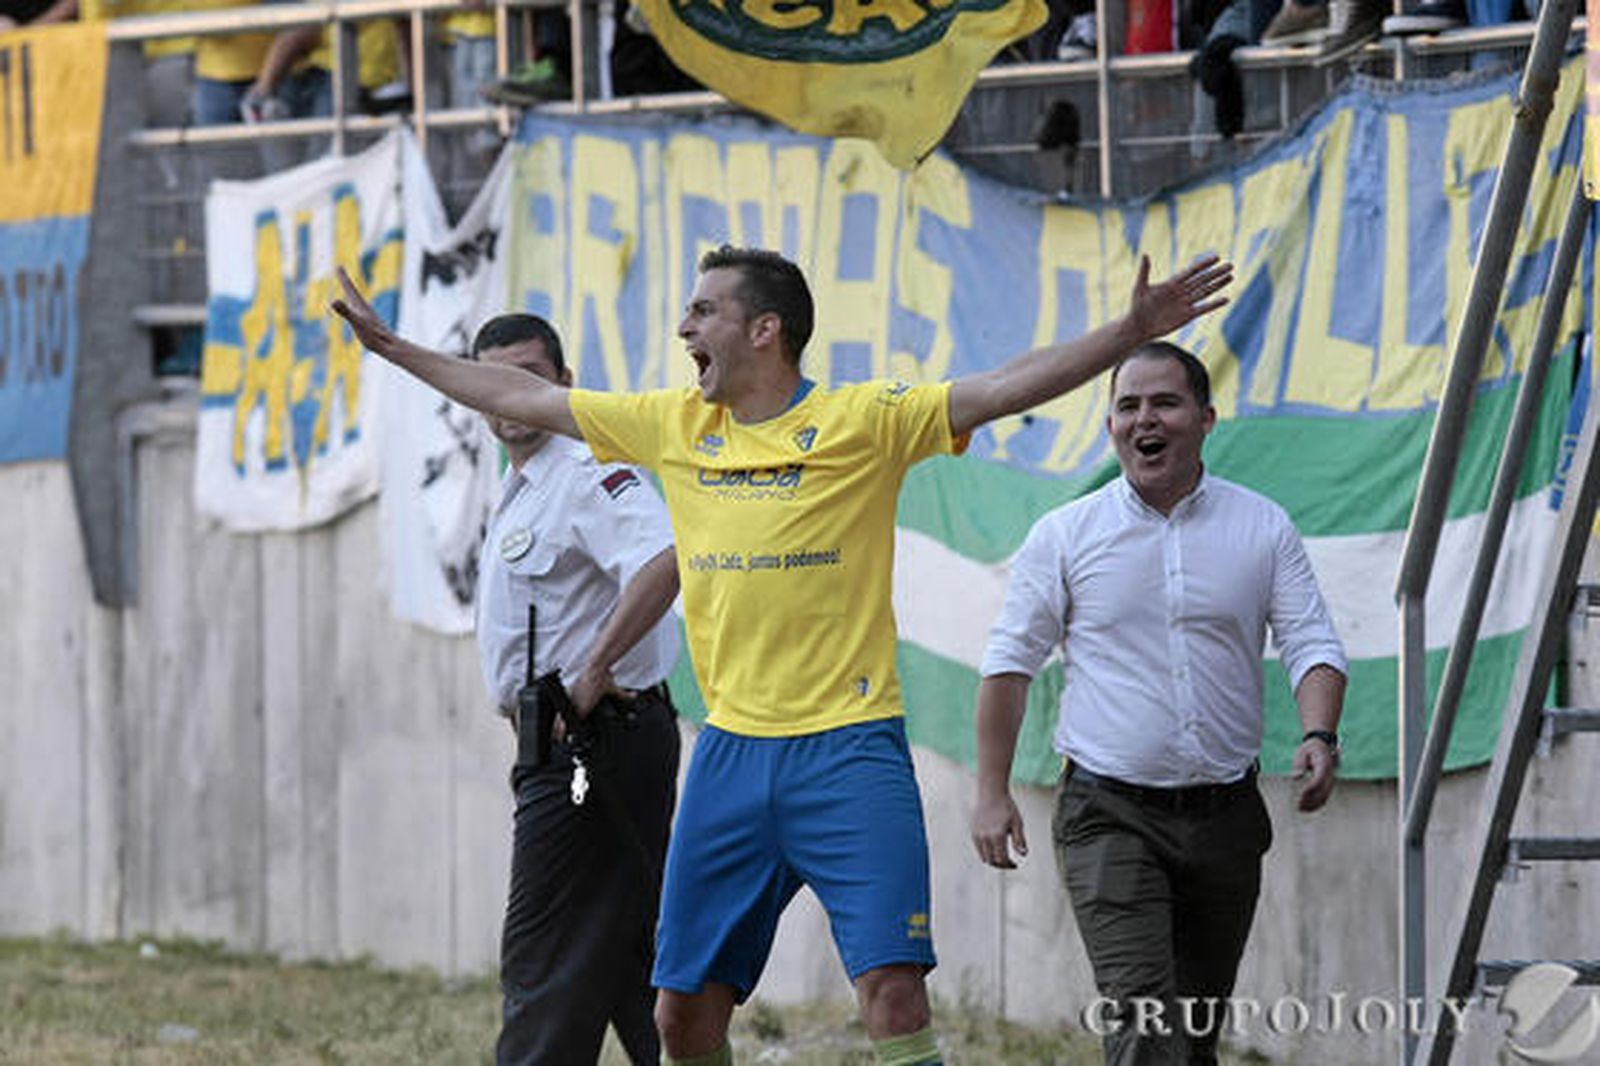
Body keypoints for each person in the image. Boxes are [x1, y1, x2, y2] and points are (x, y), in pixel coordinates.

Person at [331, 244, 1232, 1066]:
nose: (684, 327)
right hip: (729, 754)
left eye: (703, 311)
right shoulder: (672, 424)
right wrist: (397, 350)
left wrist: (1129, 333)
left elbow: (999, 389)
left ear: (764, 330)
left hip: (851, 751)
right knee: (680, 1018)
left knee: (894, 995)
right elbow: (519, 397)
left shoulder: (862, 420)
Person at [970, 340, 1347, 1066]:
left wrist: (1319, 735)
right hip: (1108, 814)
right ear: (1111, 425)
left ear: (1205, 419)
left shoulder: (1260, 526)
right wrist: (991, 792)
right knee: (1145, 1023)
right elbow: (1009, 664)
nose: (1146, 419)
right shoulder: (1066, 535)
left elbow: (1312, 642)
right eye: (1128, 406)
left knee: (1194, 1038)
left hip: (1227, 819)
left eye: (1165, 403)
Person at [470, 313, 682, 1065]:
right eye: (492, 380)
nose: (510, 398)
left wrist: (593, 672)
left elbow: (663, 557)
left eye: (529, 377)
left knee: (548, 956)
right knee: (628, 958)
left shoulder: (588, 469)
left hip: (596, 745)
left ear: (565, 385)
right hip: (575, 746)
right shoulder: (525, 483)